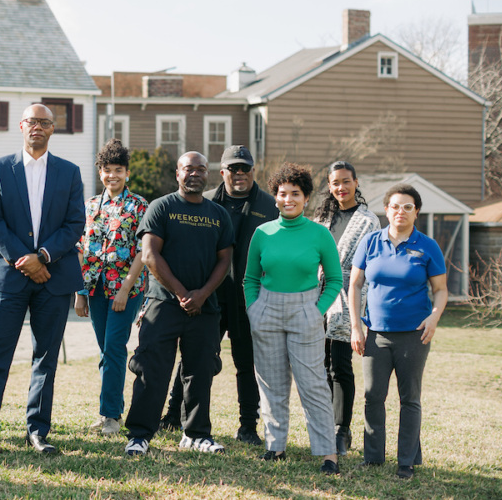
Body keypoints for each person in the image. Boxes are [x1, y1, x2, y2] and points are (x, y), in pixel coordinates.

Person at [0, 104, 85, 456]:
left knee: (46, 358)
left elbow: (75, 224)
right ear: (21, 126)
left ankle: (38, 432)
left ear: (52, 130)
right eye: (32, 122)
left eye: (45, 123)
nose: (37, 128)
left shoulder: (70, 172)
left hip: (53, 277)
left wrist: (43, 257)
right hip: (8, 278)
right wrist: (23, 260)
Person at [160, 145, 277, 446]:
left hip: (249, 297)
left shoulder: (270, 206)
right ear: (222, 172)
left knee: (245, 362)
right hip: (209, 294)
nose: (239, 175)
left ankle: (248, 425)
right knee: (194, 357)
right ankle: (174, 415)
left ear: (253, 171)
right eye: (232, 169)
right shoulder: (206, 200)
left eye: (245, 169)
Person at [123, 151, 233, 457]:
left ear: (208, 174)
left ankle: (196, 434)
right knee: (151, 370)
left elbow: (225, 260)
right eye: (189, 169)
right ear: (178, 173)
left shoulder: (218, 214)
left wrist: (201, 295)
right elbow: (149, 255)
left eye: (201, 169)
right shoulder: (162, 207)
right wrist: (183, 293)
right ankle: (139, 435)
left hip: (204, 307)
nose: (195, 174)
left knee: (200, 371)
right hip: (163, 304)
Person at [243, 162, 342, 475]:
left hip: (305, 310)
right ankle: (276, 446)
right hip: (267, 310)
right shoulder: (262, 233)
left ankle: (327, 453)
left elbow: (335, 279)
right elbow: (250, 279)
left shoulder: (320, 234)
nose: (288, 199)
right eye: (282, 193)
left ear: (306, 198)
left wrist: (316, 310)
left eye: (295, 194)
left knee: (313, 384)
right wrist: (253, 309)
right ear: (275, 197)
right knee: (272, 383)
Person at [349, 183, 447, 480]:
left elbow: (441, 290)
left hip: (414, 335)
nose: (400, 211)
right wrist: (356, 326)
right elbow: (354, 285)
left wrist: (434, 318)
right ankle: (373, 457)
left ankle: (406, 460)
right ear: (386, 210)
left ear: (416, 211)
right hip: (375, 333)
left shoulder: (427, 246)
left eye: (407, 206)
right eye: (394, 206)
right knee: (373, 396)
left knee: (410, 398)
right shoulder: (370, 242)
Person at [74, 139, 148, 436]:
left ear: (127, 173)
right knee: (106, 350)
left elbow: (144, 251)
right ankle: (110, 410)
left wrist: (125, 288)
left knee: (116, 348)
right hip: (94, 289)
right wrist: (79, 293)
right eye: (107, 170)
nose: (112, 175)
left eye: (118, 170)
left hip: (125, 288)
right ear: (99, 171)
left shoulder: (139, 205)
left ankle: (111, 417)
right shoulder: (90, 206)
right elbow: (82, 250)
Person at [313, 161, 380, 456]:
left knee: (340, 365)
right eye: (335, 183)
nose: (341, 187)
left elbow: (368, 266)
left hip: (347, 298)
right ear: (329, 186)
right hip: (316, 299)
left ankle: (342, 430)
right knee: (320, 366)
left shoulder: (368, 221)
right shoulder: (319, 219)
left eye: (346, 181)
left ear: (356, 183)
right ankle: (324, 426)